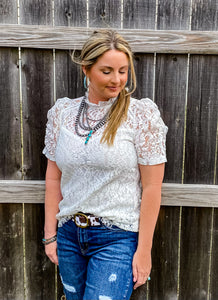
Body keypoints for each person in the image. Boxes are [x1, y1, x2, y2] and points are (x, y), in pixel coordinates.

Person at [42, 29, 167, 300]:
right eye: (107, 71)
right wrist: (50, 235)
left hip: (117, 238)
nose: (117, 79)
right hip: (69, 235)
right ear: (86, 70)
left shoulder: (140, 115)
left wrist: (143, 251)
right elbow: (53, 178)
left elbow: (152, 187)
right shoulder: (63, 113)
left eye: (123, 71)